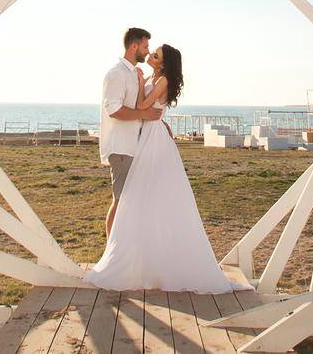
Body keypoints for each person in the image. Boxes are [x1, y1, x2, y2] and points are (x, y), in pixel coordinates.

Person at [85, 41, 250, 293]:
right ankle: (140, 255)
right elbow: (143, 105)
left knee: (151, 194)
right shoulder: (153, 76)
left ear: (163, 62)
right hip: (146, 134)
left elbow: (142, 105)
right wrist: (142, 85)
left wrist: (140, 85)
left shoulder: (162, 80)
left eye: (156, 54)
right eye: (152, 52)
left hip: (154, 139)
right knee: (141, 196)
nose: (151, 55)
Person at [99, 27, 162, 237]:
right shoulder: (116, 74)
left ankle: (123, 249)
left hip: (133, 148)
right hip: (121, 147)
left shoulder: (134, 74)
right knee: (120, 202)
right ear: (134, 46)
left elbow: (140, 105)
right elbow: (114, 110)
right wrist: (142, 115)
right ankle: (111, 253)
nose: (147, 51)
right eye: (145, 46)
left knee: (130, 203)